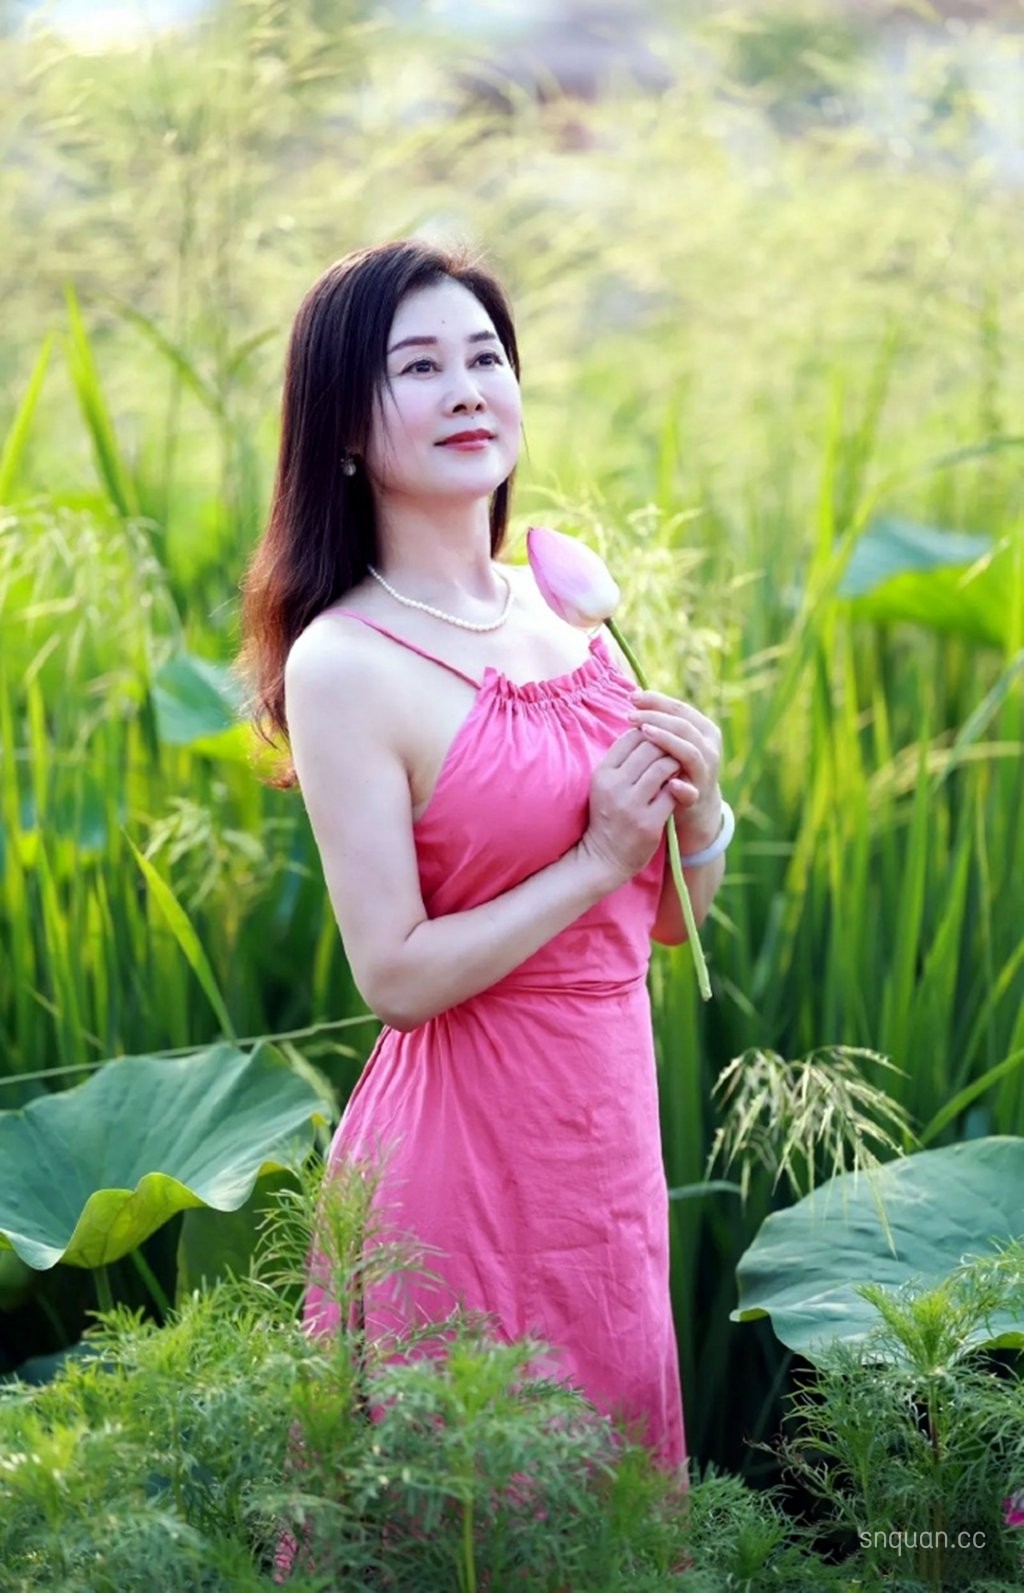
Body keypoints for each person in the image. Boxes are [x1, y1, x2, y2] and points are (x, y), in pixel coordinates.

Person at [237, 237, 727, 1491]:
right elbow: (394, 977)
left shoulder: (564, 611)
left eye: (485, 358)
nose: (467, 390)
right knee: (477, 1514)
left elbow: (667, 925)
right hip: (464, 1160)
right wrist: (595, 857)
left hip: (606, 1150)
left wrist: (701, 810)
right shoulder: (345, 662)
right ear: (346, 429)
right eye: (419, 367)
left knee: (613, 1516)